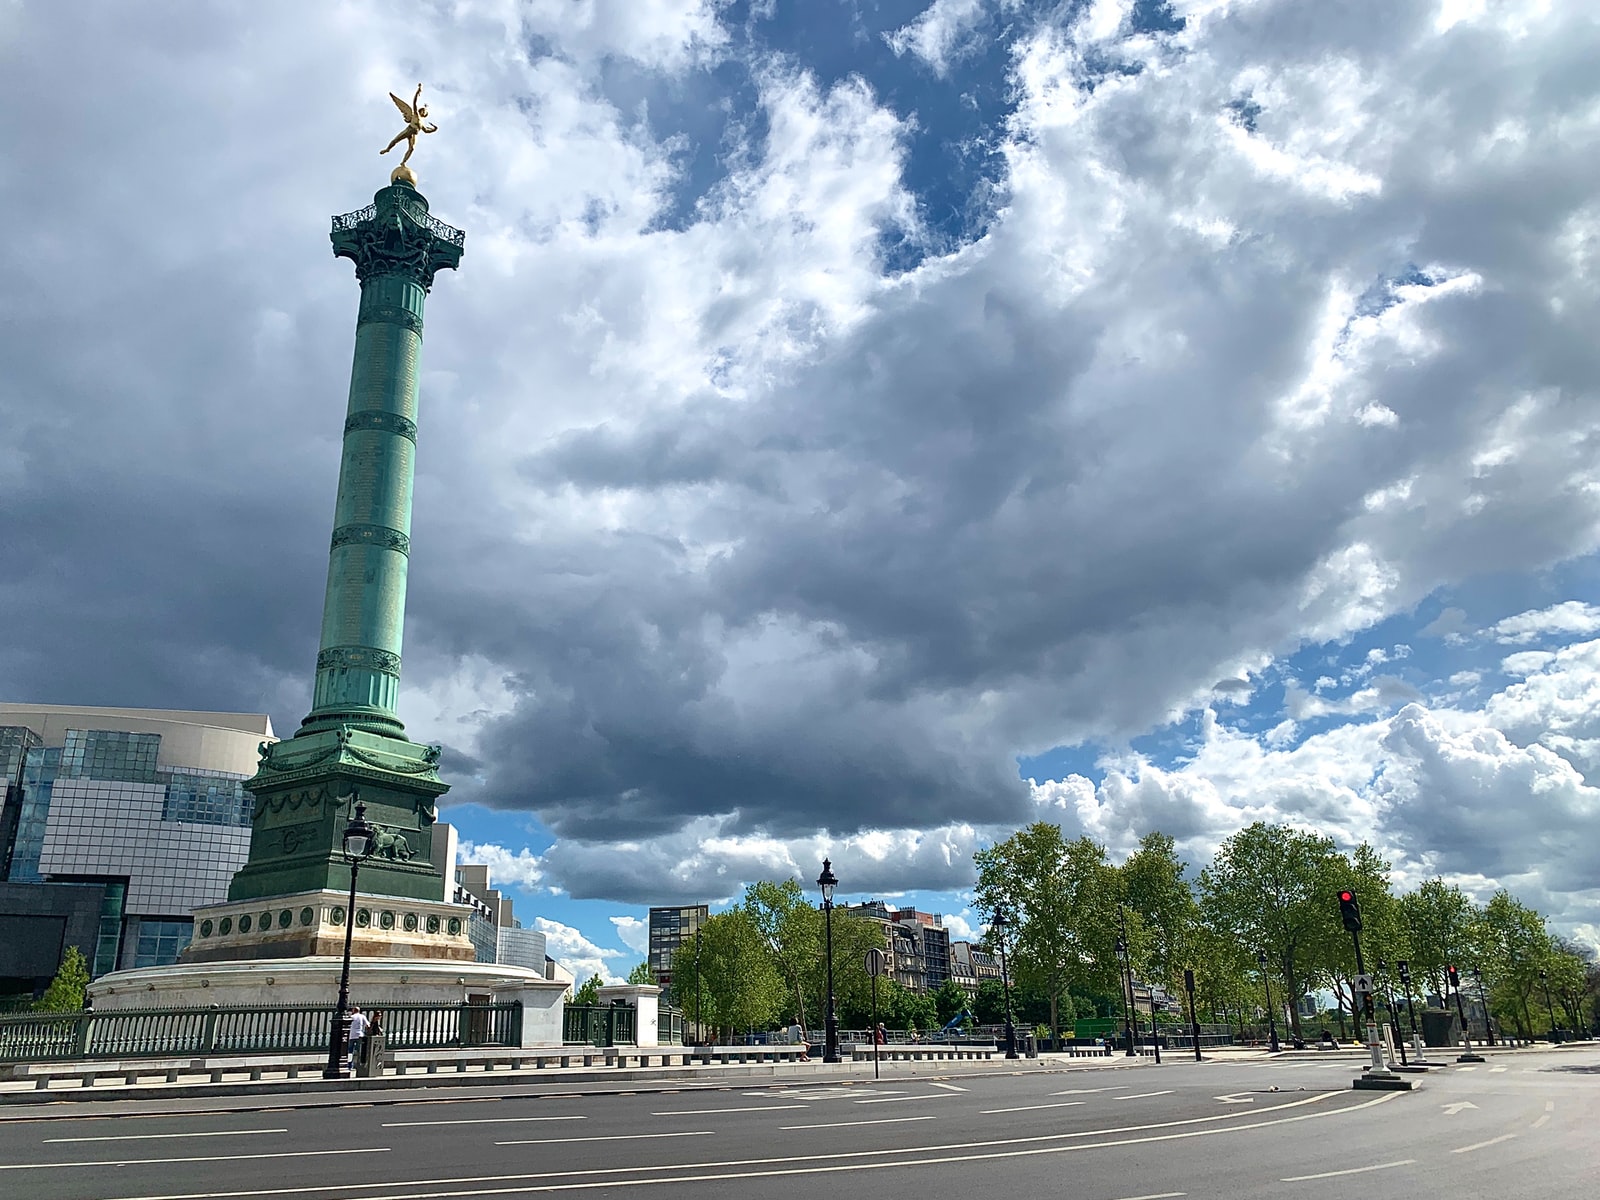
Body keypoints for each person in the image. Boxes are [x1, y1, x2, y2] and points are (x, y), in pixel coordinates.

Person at [345, 1005, 368, 1071]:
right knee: (359, 1051)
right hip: (359, 1035)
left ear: (353, 1011)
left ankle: (350, 1065)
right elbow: (367, 1025)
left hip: (351, 1036)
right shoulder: (362, 1016)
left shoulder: (351, 1017)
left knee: (350, 1051)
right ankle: (359, 1065)